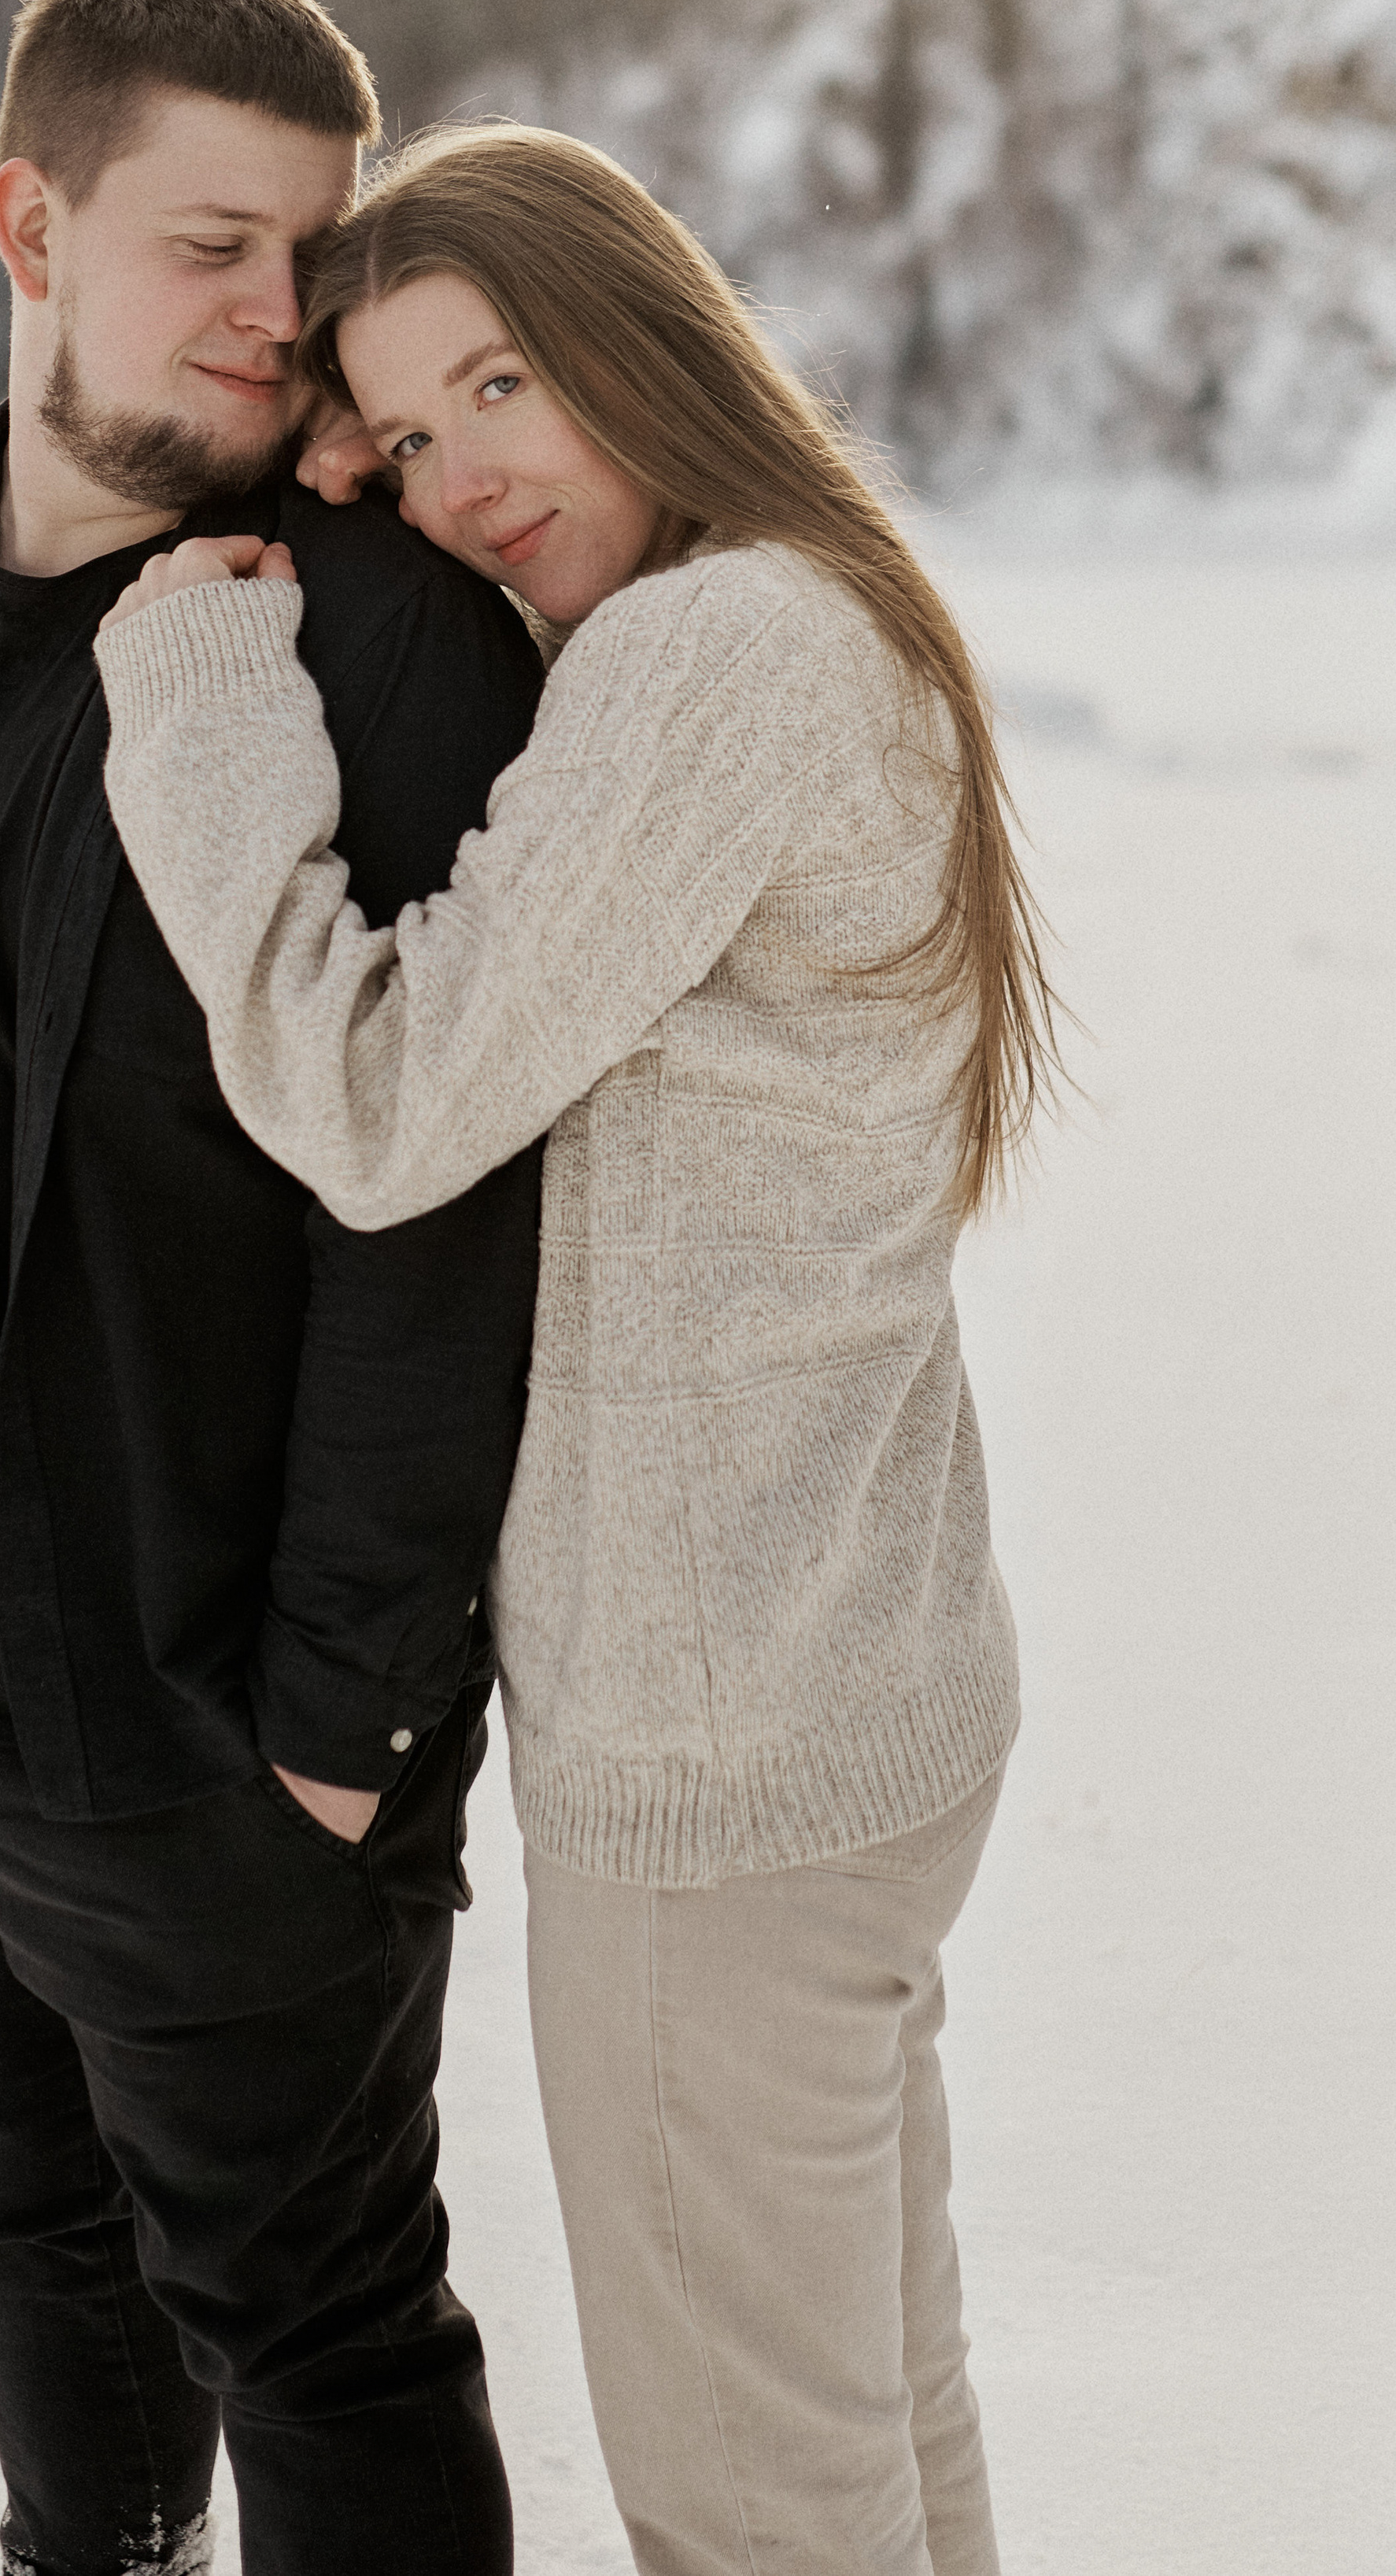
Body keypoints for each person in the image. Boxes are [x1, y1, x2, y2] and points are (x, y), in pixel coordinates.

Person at [95, 124, 1064, 2576]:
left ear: (644, 339)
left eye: (503, 382)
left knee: (758, 2515)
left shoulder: (707, 660)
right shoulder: (799, 608)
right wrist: (389, 451)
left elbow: (387, 1095)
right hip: (855, 1696)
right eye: (408, 436)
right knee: (875, 2433)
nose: (456, 478)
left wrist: (205, 697)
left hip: (720, 1760)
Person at [0, 0, 548, 2576]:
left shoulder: (368, 645)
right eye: (210, 243)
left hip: (194, 1736)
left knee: (319, 2323)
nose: (279, 318)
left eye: (309, 254)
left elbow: (441, 1199)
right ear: (26, 221)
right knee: (12, 2214)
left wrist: (340, 1725)